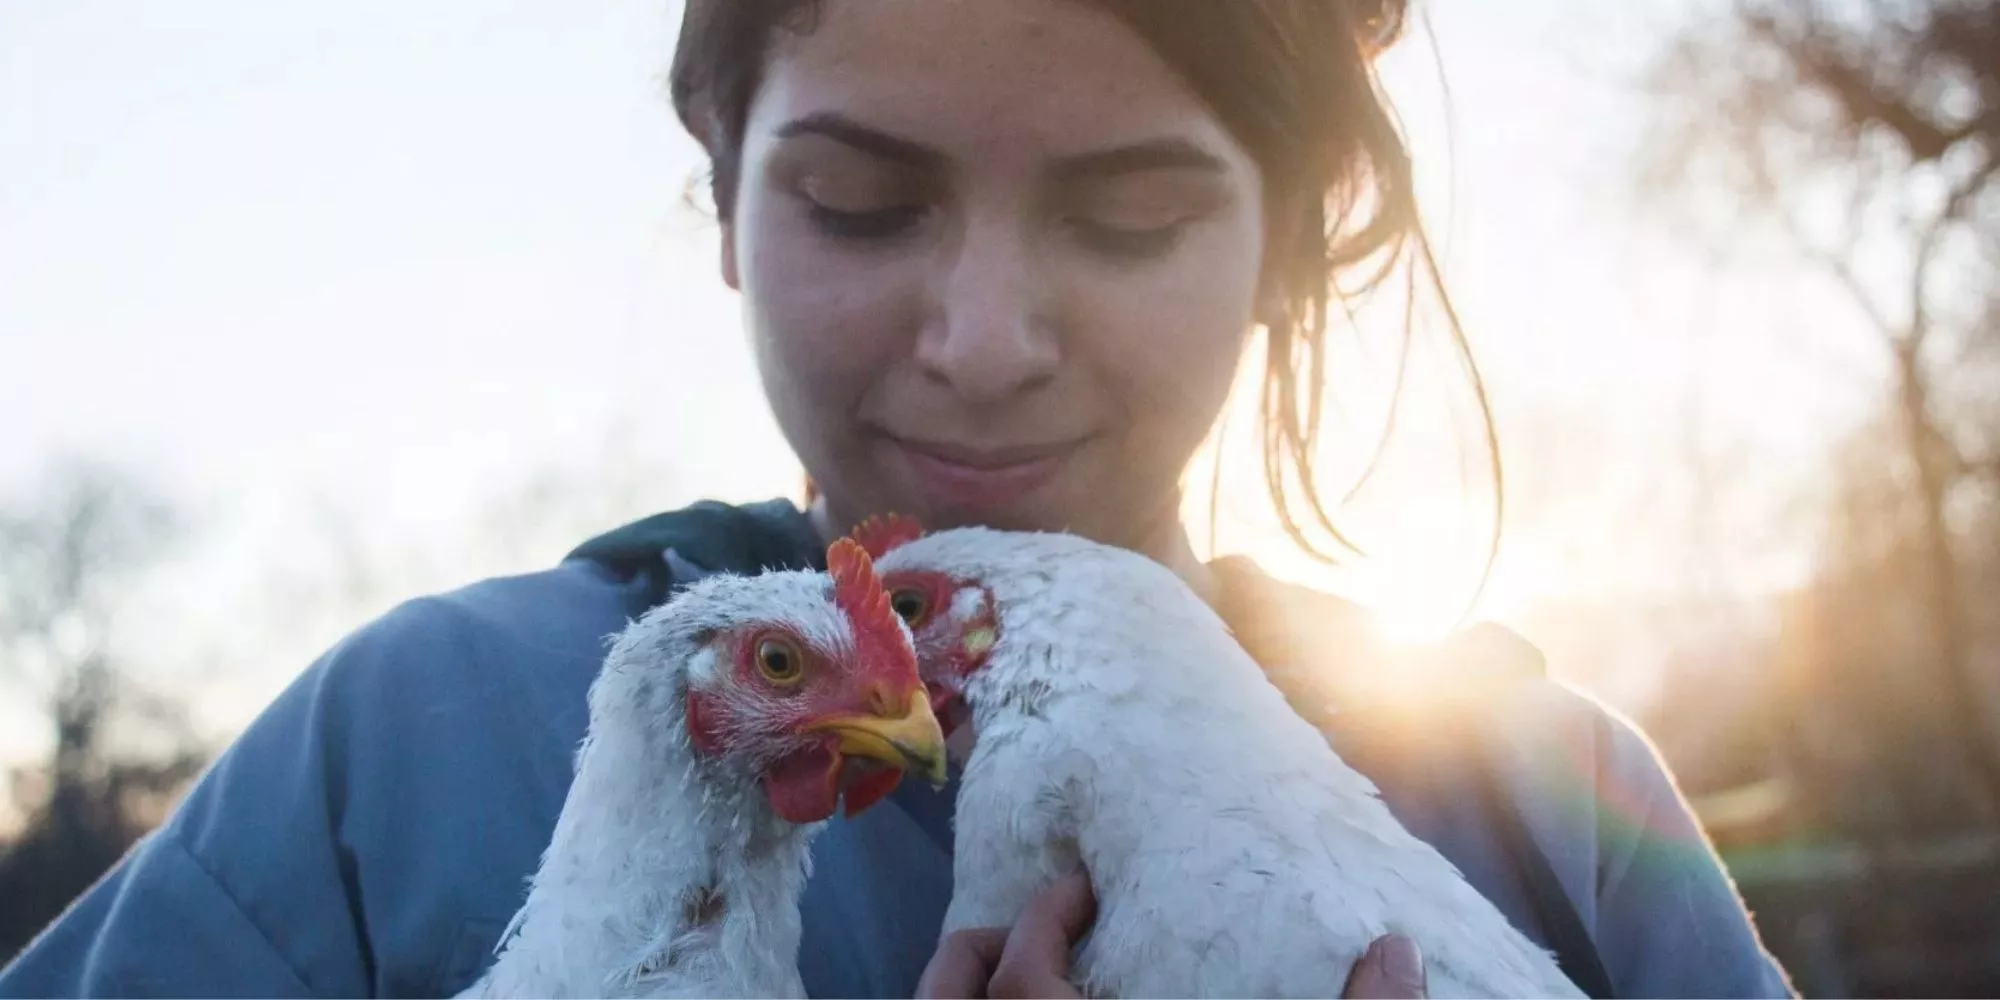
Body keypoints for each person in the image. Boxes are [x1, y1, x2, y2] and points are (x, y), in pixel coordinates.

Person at [0, 2, 1795, 997]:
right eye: (863, 203)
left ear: (1295, 240)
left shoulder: (1546, 809)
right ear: (722, 201)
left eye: (1129, 218)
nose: (986, 339)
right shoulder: (398, 763)